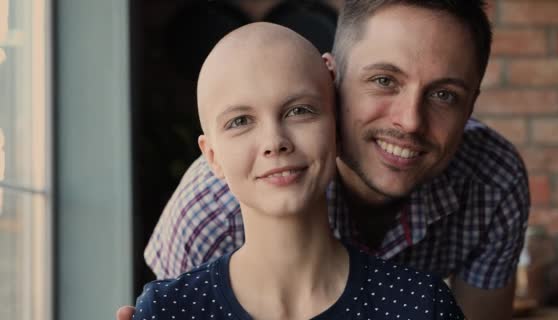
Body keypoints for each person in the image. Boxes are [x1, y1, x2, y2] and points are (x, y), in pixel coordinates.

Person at [120, 1, 529, 319]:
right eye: (384, 80)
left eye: (444, 95)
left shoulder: (491, 180)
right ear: (331, 82)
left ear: (472, 103)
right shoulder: (209, 212)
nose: (410, 121)